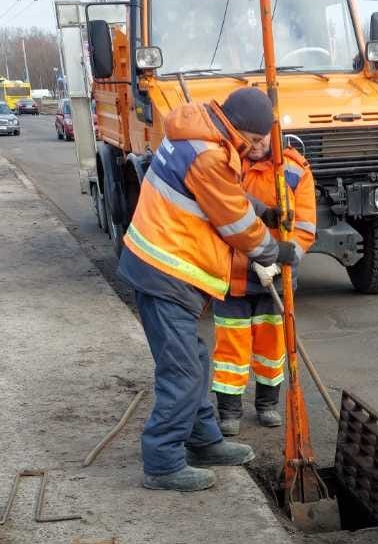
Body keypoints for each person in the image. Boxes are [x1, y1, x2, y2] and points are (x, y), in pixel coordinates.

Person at [116, 86, 297, 492]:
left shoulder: (202, 133)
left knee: (192, 360)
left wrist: (262, 208)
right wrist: (275, 250)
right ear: (241, 130)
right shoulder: (211, 153)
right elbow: (234, 223)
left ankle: (203, 440)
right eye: (256, 141)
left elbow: (220, 193)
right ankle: (163, 463)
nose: (259, 148)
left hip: (165, 267)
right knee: (181, 370)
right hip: (166, 270)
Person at [211, 142, 315, 433]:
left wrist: (280, 261)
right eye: (252, 136)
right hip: (233, 276)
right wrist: (251, 256)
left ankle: (267, 405)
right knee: (231, 348)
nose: (256, 144)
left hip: (276, 276)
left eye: (262, 138)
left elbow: (305, 228)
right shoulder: (226, 164)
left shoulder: (294, 169)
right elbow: (220, 215)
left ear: (273, 134)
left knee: (271, 345)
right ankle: (229, 411)